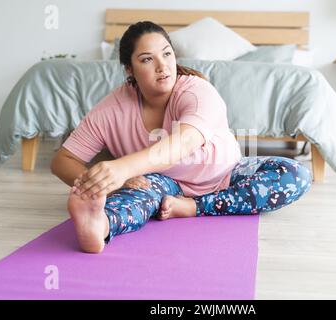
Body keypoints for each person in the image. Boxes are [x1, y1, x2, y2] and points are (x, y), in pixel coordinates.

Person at [50, 21, 312, 254]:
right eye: (147, 59)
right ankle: (100, 225)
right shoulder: (112, 108)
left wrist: (121, 167)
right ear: (129, 69)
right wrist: (108, 183)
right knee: (137, 192)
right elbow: (63, 159)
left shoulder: (197, 90)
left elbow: (183, 142)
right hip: (166, 184)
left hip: (227, 174)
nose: (162, 66)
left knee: (294, 175)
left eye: (167, 54)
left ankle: (195, 206)